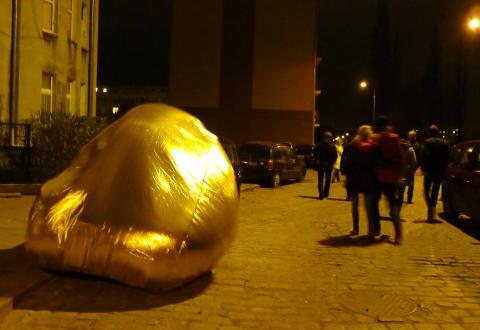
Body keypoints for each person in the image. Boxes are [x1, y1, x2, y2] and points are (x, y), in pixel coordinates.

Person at [372, 115, 404, 244]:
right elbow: (401, 158)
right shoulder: (394, 138)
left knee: (374, 202)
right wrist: (400, 174)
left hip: (379, 175)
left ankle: (376, 229)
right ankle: (398, 234)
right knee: (393, 204)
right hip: (392, 176)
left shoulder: (377, 139)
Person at [342, 125, 377, 236]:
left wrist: (346, 173)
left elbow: (348, 162)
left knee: (355, 204)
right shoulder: (373, 146)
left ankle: (355, 228)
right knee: (368, 205)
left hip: (354, 177)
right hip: (368, 178)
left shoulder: (353, 146)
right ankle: (371, 230)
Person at [421, 125, 450, 221]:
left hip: (429, 171)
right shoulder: (444, 144)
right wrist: (444, 170)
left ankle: (430, 208)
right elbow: (447, 159)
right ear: (437, 132)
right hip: (439, 171)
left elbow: (425, 156)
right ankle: (432, 208)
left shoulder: (427, 142)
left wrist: (424, 169)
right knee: (435, 191)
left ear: (429, 132)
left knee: (426, 191)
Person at [313, 132, 338, 200]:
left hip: (321, 164)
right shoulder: (332, 146)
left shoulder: (318, 145)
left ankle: (321, 194)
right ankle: (326, 193)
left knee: (320, 179)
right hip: (329, 165)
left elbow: (315, 155)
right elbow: (335, 156)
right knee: (327, 180)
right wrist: (331, 162)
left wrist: (317, 160)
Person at [397, 134, 417, 211]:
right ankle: (398, 211)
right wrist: (410, 169)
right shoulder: (410, 149)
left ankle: (393, 209)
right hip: (404, 174)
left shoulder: (395, 147)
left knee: (394, 193)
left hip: (394, 173)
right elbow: (414, 163)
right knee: (401, 193)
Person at [406, 130, 423, 204]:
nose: (410, 137)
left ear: (415, 136)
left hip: (411, 167)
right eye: (409, 135)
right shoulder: (405, 144)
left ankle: (409, 197)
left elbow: (419, 158)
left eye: (411, 135)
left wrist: (415, 168)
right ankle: (401, 196)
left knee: (411, 183)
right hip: (405, 165)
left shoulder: (418, 146)